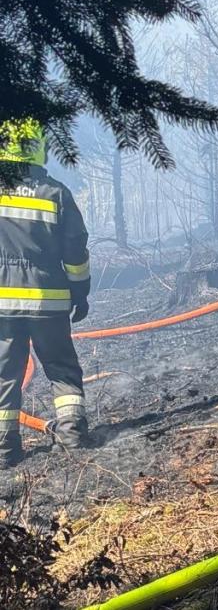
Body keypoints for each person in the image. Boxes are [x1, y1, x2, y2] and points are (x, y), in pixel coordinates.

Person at [0, 118, 90, 468]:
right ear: (39, 147)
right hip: (48, 302)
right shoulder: (56, 194)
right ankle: (72, 435)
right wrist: (80, 292)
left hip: (2, 306)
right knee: (61, 367)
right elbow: (76, 251)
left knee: (5, 373)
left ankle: (5, 451)